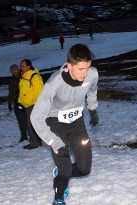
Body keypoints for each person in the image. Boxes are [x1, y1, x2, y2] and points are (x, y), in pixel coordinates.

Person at [30, 44, 99, 205]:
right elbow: (36, 117)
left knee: (84, 170)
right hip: (56, 125)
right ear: (69, 66)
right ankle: (59, 197)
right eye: (81, 69)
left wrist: (93, 108)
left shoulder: (92, 74)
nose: (85, 73)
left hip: (77, 123)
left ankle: (60, 173)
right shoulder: (55, 82)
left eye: (88, 67)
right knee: (65, 169)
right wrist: (54, 141)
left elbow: (92, 90)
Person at [18, 59, 44, 149]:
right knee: (31, 124)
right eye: (20, 66)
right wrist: (20, 102)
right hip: (27, 105)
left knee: (31, 124)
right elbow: (23, 92)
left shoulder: (34, 77)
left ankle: (35, 142)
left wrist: (37, 104)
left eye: (23, 66)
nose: (21, 68)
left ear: (28, 67)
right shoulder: (23, 77)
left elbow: (40, 91)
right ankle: (36, 140)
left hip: (34, 105)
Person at [8, 64, 29, 143]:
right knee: (20, 120)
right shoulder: (11, 80)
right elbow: (10, 93)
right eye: (12, 70)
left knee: (25, 120)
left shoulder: (23, 77)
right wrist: (9, 103)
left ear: (18, 69)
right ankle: (24, 136)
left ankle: (31, 135)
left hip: (23, 103)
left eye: (15, 69)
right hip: (16, 103)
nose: (14, 71)